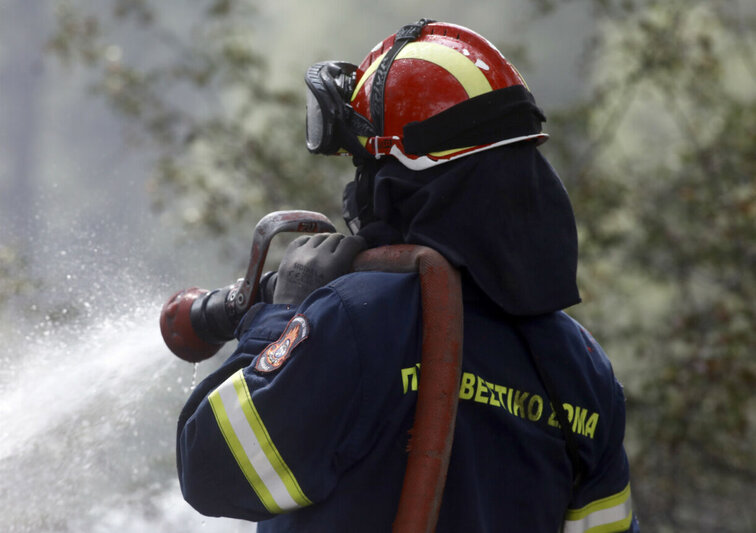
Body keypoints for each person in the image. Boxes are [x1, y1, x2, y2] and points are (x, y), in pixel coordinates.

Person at [176, 19, 638, 532]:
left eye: (361, 166)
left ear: (393, 178)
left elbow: (212, 468)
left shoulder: (358, 319)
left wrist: (283, 314)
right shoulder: (583, 370)